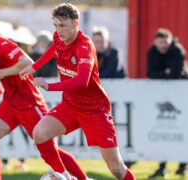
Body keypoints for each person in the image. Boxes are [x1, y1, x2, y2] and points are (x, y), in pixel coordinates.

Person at [20, 3, 135, 180]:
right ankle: (65, 176)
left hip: (95, 110)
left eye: (63, 25)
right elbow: (54, 48)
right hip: (70, 106)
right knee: (39, 134)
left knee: (117, 169)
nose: (58, 31)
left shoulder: (84, 46)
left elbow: (82, 81)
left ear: (75, 24)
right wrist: (35, 66)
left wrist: (49, 86)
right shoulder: (59, 38)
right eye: (56, 25)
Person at [0, 10, 88, 180]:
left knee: (50, 150)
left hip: (29, 103)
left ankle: (82, 179)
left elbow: (28, 63)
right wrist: (1, 87)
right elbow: (11, 75)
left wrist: (0, 73)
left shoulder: (3, 45)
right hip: (10, 103)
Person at [147, 28, 187, 177]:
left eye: (166, 42)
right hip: (163, 97)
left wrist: (164, 74)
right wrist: (166, 72)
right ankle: (162, 167)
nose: (163, 45)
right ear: (155, 42)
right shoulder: (151, 52)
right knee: (164, 131)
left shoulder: (178, 51)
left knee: (182, 130)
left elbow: (176, 75)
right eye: (160, 42)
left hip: (182, 96)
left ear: (170, 41)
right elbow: (150, 74)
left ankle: (182, 166)